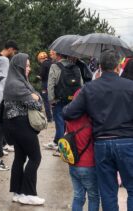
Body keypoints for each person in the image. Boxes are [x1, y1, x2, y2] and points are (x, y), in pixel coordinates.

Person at [62, 50, 133, 211]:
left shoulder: (89, 88)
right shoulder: (130, 86)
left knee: (107, 192)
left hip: (101, 143)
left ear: (100, 67)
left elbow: (68, 112)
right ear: (117, 67)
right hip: (127, 142)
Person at [3, 53, 45, 205]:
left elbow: (36, 98)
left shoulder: (15, 81)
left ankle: (18, 191)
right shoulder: (17, 84)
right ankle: (28, 193)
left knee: (20, 158)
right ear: (19, 67)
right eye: (26, 66)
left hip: (16, 124)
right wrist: (36, 97)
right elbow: (36, 103)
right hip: (22, 124)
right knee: (35, 157)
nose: (29, 68)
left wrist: (35, 97)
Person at [66, 90, 100, 211]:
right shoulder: (91, 121)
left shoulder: (69, 120)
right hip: (88, 164)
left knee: (78, 196)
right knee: (94, 197)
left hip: (73, 164)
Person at [45, 53, 83, 151]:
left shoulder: (55, 66)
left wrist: (51, 99)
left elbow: (51, 83)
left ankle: (61, 148)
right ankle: (67, 144)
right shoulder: (75, 66)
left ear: (58, 56)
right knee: (68, 123)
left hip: (59, 99)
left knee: (59, 122)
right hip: (73, 99)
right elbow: (81, 84)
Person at [37, 51, 53, 122]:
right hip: (52, 84)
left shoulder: (43, 64)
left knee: (46, 101)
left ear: (41, 58)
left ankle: (49, 118)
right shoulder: (52, 63)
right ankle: (54, 116)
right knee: (53, 100)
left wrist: (37, 77)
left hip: (45, 84)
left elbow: (41, 75)